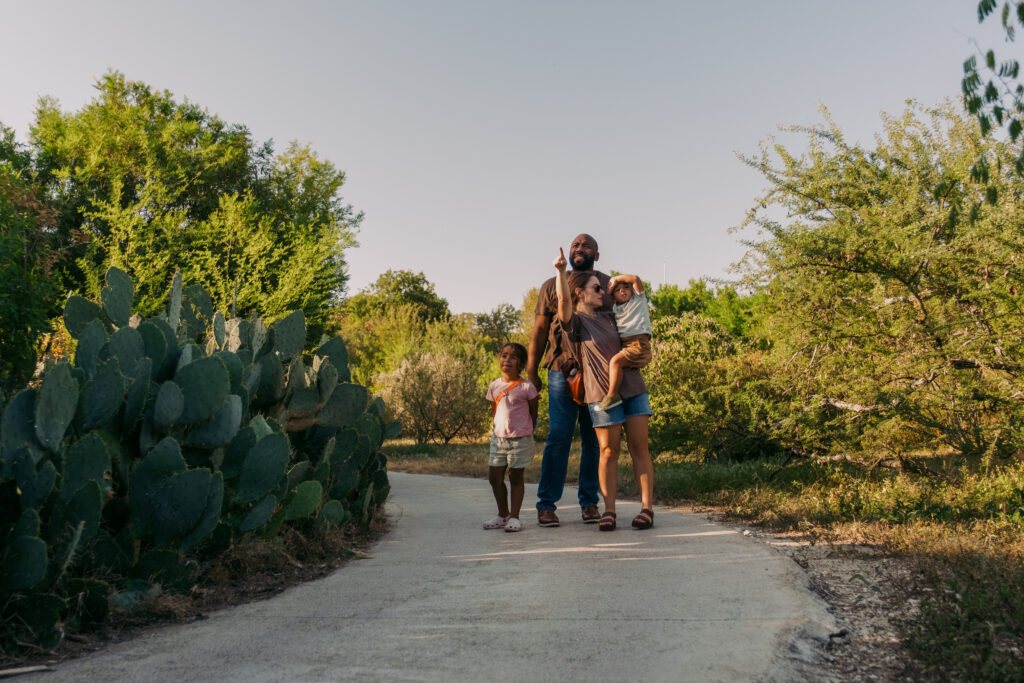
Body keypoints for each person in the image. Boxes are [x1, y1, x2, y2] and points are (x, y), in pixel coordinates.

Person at [552, 247, 655, 531]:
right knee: (608, 451)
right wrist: (561, 272)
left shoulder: (613, 316)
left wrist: (645, 352)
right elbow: (562, 302)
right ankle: (608, 511)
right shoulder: (576, 323)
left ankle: (647, 508)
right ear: (580, 294)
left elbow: (638, 333)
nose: (603, 291)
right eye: (597, 288)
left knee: (639, 449)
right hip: (601, 395)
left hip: (633, 389)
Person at [527, 234, 611, 527]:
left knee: (593, 438)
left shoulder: (606, 285)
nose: (579, 249)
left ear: (596, 255)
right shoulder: (552, 285)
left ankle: (589, 503)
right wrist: (530, 371)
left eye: (586, 246)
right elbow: (539, 330)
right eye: (575, 245)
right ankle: (546, 504)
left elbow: (618, 327)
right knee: (559, 436)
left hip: (597, 373)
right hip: (560, 370)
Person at [483, 342, 539, 533]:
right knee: (494, 476)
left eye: (513, 357)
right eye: (504, 355)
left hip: (520, 439)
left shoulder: (527, 387)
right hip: (498, 439)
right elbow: (494, 411)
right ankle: (502, 514)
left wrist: (525, 429)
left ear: (521, 364)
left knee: (516, 477)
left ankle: (514, 517)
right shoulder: (494, 386)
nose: (507, 359)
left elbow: (533, 412)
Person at [597, 274, 653, 411]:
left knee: (616, 362)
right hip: (627, 344)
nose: (622, 291)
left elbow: (635, 279)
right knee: (619, 364)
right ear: (613, 296)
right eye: (618, 290)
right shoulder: (615, 308)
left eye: (626, 288)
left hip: (638, 341)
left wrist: (616, 279)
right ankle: (616, 393)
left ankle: (612, 395)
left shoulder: (638, 300)